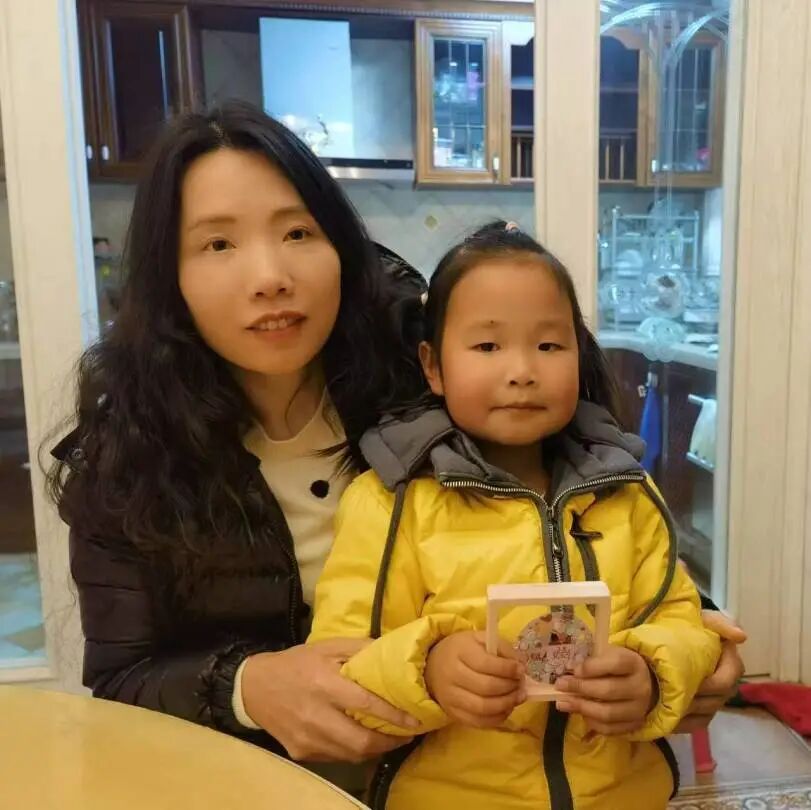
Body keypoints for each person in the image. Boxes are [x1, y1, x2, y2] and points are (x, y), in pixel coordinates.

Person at [47, 101, 742, 770]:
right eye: (218, 243)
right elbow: (121, 677)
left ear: (340, 246)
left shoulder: (431, 369)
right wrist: (247, 687)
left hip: (455, 767)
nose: (270, 278)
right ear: (168, 276)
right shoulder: (128, 445)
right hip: (258, 777)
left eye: (297, 233)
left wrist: (687, 644)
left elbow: (587, 502)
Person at [309, 222, 723, 809]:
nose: (523, 370)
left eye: (549, 346)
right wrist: (427, 670)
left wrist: (654, 674)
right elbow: (338, 664)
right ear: (433, 365)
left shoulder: (627, 493)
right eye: (487, 347)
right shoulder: (390, 503)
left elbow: (682, 619)